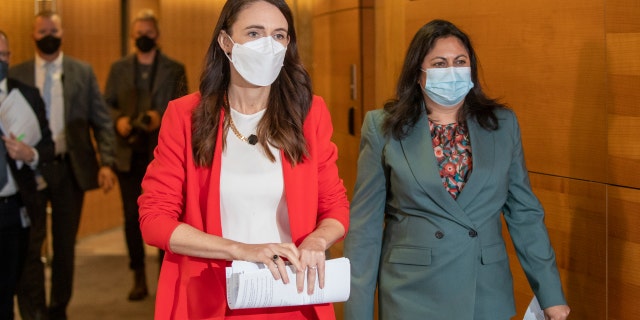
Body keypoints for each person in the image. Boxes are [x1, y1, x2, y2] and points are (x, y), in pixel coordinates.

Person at [343, 19, 571, 320]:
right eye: (439, 63)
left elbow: (525, 214)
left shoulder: (502, 125)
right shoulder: (383, 127)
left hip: (484, 291)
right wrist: (356, 312)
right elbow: (365, 228)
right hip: (411, 291)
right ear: (418, 75)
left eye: (460, 62)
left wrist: (550, 295)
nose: (452, 71)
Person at [137, 0, 349, 319]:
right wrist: (241, 250)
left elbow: (335, 206)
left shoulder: (308, 113)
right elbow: (154, 221)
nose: (268, 45)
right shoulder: (185, 117)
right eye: (254, 33)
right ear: (226, 42)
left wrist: (318, 241)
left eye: (279, 35)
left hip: (291, 294)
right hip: (212, 297)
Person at [10, 11, 117, 320]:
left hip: (70, 169)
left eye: (52, 30)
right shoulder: (19, 73)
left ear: (62, 33)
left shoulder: (81, 72)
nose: (48, 35)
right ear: (33, 34)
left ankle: (58, 308)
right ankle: (34, 311)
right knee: (31, 245)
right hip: (29, 171)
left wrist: (106, 162)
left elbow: (102, 121)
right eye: (42, 30)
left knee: (64, 245)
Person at [104, 8, 188, 302]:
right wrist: (118, 121)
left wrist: (160, 117)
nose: (143, 38)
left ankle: (166, 273)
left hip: (163, 153)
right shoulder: (118, 68)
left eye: (148, 34)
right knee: (131, 217)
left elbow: (186, 106)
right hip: (128, 153)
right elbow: (107, 105)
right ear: (132, 36)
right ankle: (137, 275)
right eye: (139, 34)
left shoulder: (174, 68)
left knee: (166, 216)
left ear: (158, 36)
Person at [0, 29, 54, 320]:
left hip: (14, 209)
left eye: (3, 55)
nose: (0, 61)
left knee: (14, 286)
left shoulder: (27, 95)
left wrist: (28, 154)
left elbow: (47, 147)